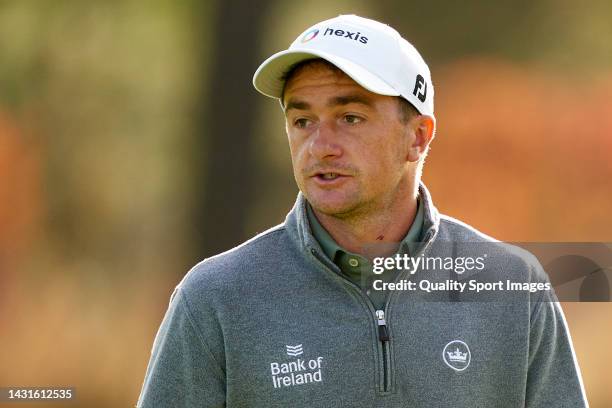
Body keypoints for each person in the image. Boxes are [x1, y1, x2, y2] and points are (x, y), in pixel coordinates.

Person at [137, 15, 588, 407]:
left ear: (417, 137)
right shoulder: (215, 298)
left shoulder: (515, 288)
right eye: (302, 121)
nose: (320, 147)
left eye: (350, 117)